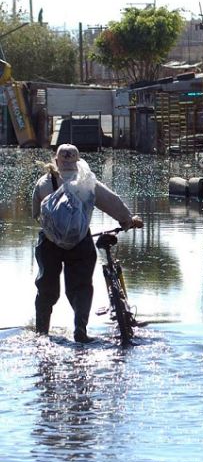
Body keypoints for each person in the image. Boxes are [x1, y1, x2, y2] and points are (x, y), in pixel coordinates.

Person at [31, 144, 143, 343]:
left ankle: (41, 333)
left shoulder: (43, 182)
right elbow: (112, 202)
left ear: (56, 161)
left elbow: (35, 214)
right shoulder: (87, 182)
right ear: (78, 161)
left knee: (46, 288)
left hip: (49, 244)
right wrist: (128, 221)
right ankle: (80, 331)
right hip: (80, 243)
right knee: (81, 287)